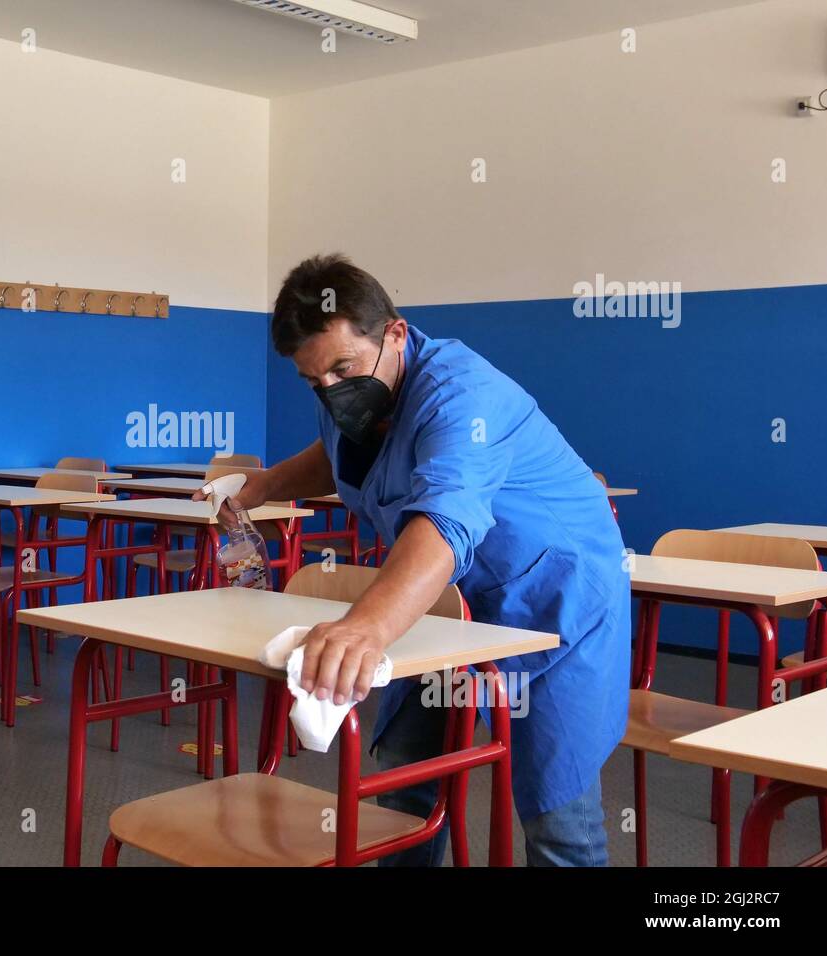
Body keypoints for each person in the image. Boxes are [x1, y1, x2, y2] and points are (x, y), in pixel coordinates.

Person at [215, 254, 629, 866]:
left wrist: (365, 626)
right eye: (313, 382)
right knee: (403, 778)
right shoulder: (355, 391)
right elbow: (338, 455)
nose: (331, 391)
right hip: (448, 599)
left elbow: (445, 519)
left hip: (556, 600)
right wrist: (267, 484)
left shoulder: (464, 397)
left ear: (396, 335)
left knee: (557, 812)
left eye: (342, 369)